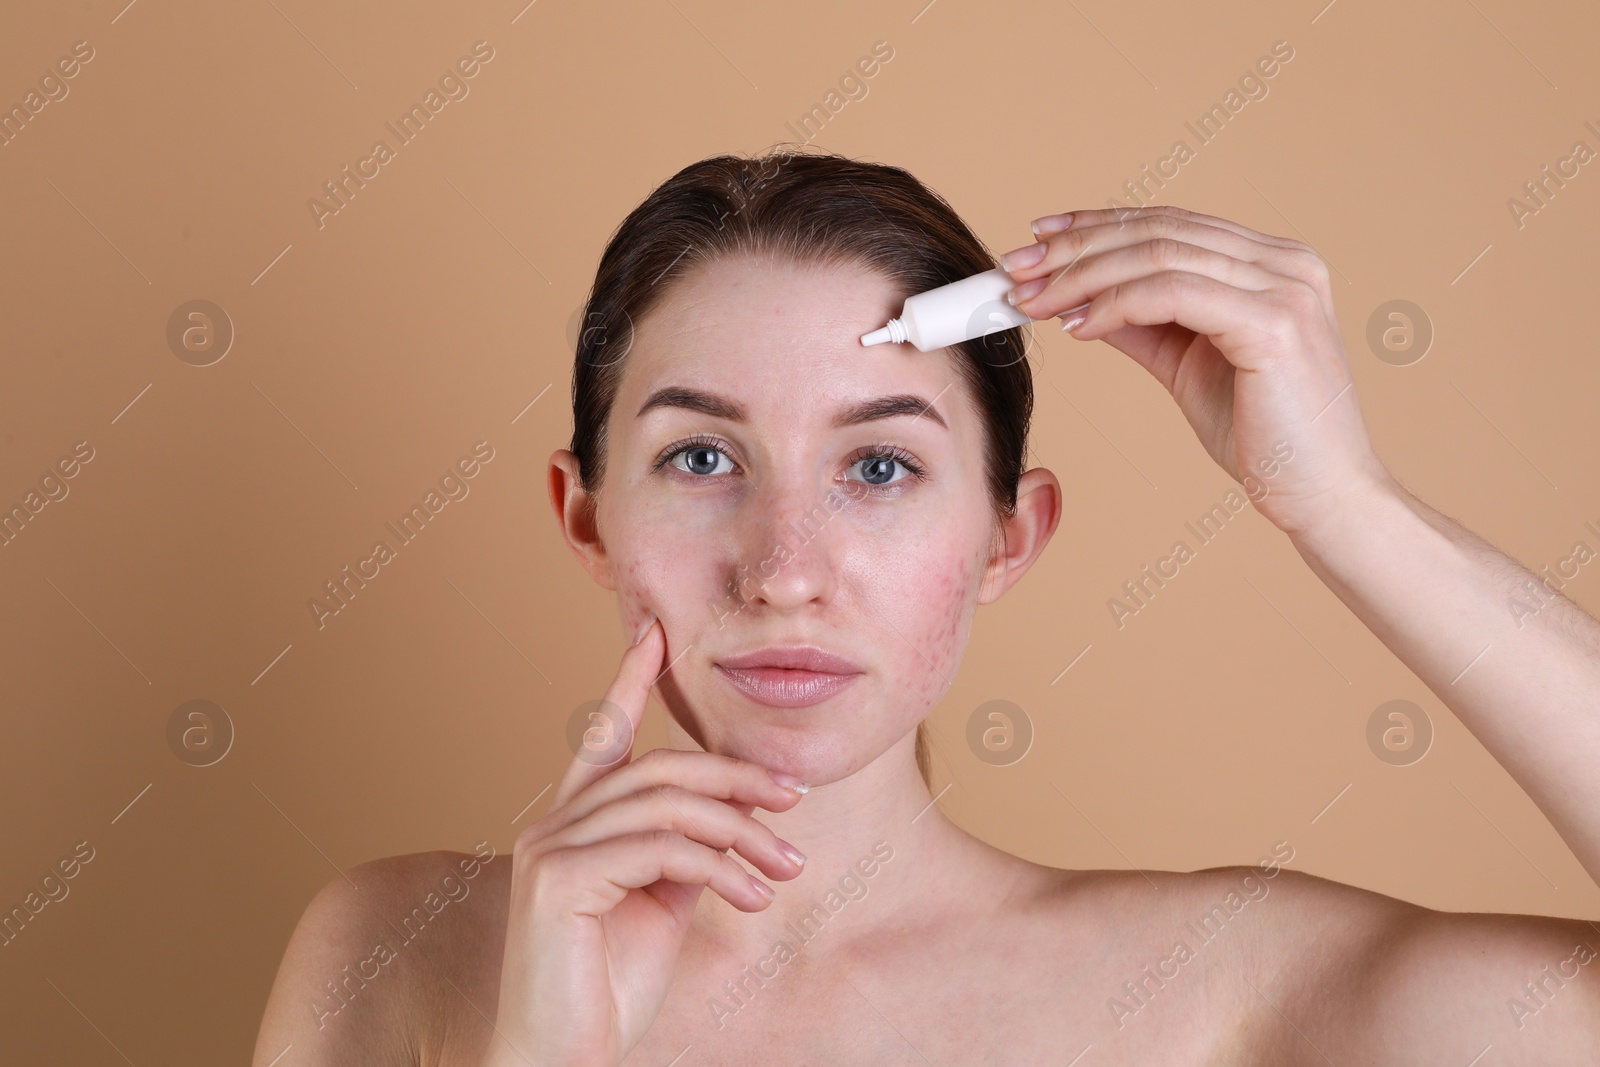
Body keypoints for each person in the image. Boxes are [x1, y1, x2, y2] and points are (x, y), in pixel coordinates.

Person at [252, 150, 1600, 1065]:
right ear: (585, 519)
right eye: (703, 458)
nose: (786, 567)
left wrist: (1348, 507)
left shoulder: (1222, 984)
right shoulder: (405, 952)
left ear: (1010, 536)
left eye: (881, 466)